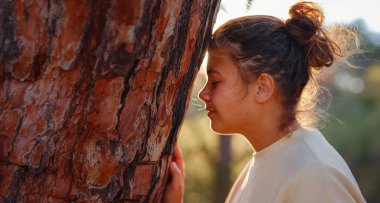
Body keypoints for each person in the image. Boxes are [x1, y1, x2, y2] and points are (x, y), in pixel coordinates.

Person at [163, 1, 366, 203]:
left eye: (215, 81)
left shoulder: (315, 176)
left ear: (262, 88)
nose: (203, 94)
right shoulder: (264, 163)